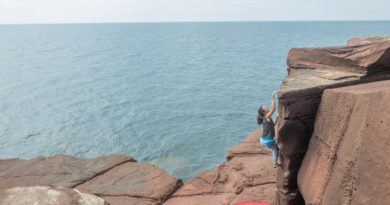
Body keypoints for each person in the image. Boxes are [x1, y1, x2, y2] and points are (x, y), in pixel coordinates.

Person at [257, 91, 280, 168]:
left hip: (263, 140)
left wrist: (276, 118)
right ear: (264, 112)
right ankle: (275, 162)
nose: (267, 108)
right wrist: (272, 98)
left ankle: (276, 160)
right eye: (265, 108)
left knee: (274, 148)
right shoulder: (267, 116)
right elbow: (273, 108)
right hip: (268, 141)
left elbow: (273, 125)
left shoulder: (266, 118)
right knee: (276, 148)